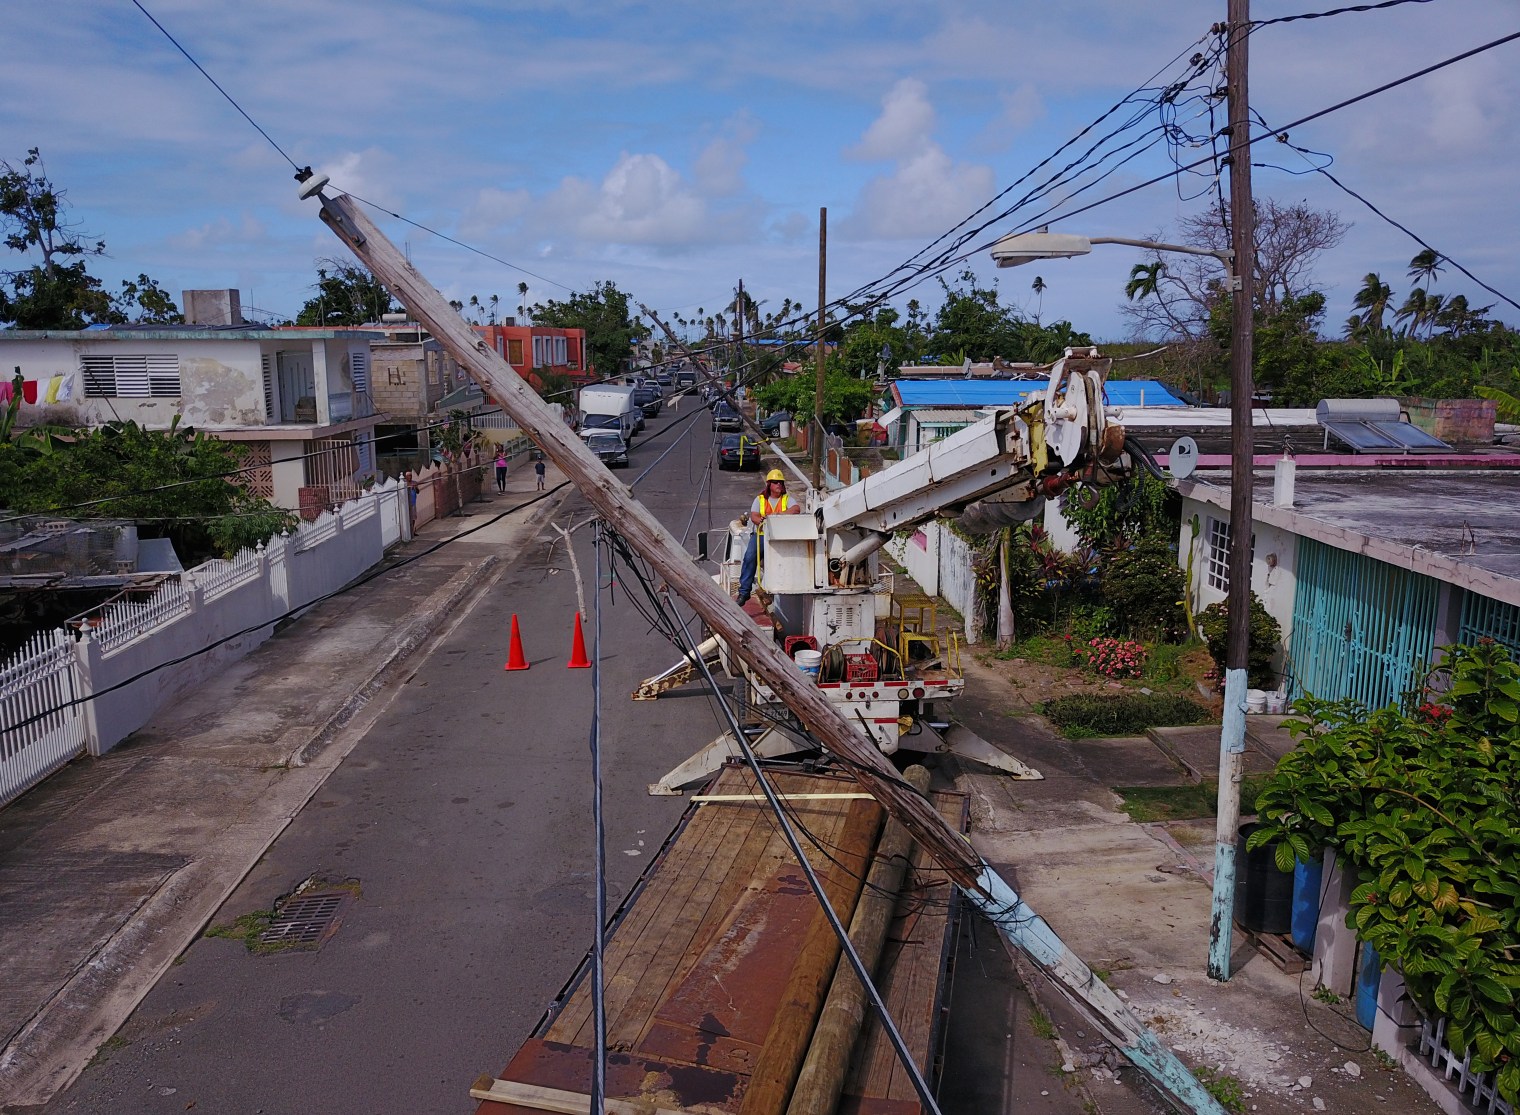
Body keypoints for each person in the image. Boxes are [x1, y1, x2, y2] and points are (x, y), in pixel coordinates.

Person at [736, 469, 800, 606]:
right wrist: (762, 521)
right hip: (761, 535)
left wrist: (779, 516)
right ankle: (744, 592)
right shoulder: (760, 499)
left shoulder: (787, 499)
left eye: (781, 482)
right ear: (769, 484)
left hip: (779, 537)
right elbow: (754, 516)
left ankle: (781, 586)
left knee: (785, 560)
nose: (779, 485)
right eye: (776, 482)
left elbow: (795, 509)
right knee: (750, 557)